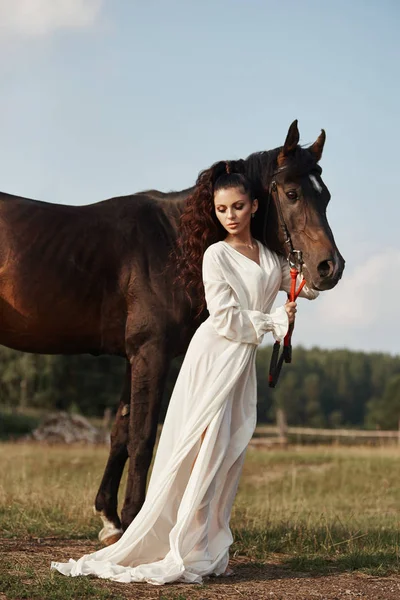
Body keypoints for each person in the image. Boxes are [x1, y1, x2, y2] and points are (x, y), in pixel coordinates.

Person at [51, 161, 318, 585]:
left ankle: (206, 543)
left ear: (253, 207)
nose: (229, 216)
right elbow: (227, 319)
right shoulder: (216, 256)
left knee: (230, 451)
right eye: (221, 209)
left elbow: (304, 281)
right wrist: (274, 322)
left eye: (237, 207)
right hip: (214, 359)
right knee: (203, 451)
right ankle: (180, 544)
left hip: (240, 368)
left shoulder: (268, 258)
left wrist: (311, 274)